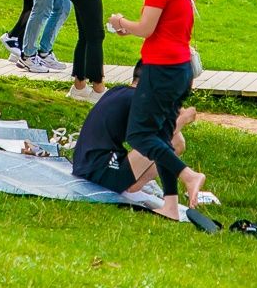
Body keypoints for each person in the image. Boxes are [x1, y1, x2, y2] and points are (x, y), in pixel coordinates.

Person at [106, 0, 202, 216]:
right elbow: (161, 28)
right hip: (180, 68)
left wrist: (119, 21)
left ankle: (188, 176)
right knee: (161, 134)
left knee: (139, 135)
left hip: (162, 69)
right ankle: (170, 204)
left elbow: (146, 28)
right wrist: (129, 29)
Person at [72, 79, 199, 217]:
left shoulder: (120, 91)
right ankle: (188, 178)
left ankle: (136, 184)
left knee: (175, 139)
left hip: (84, 163)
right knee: (173, 140)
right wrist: (183, 120)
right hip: (100, 171)